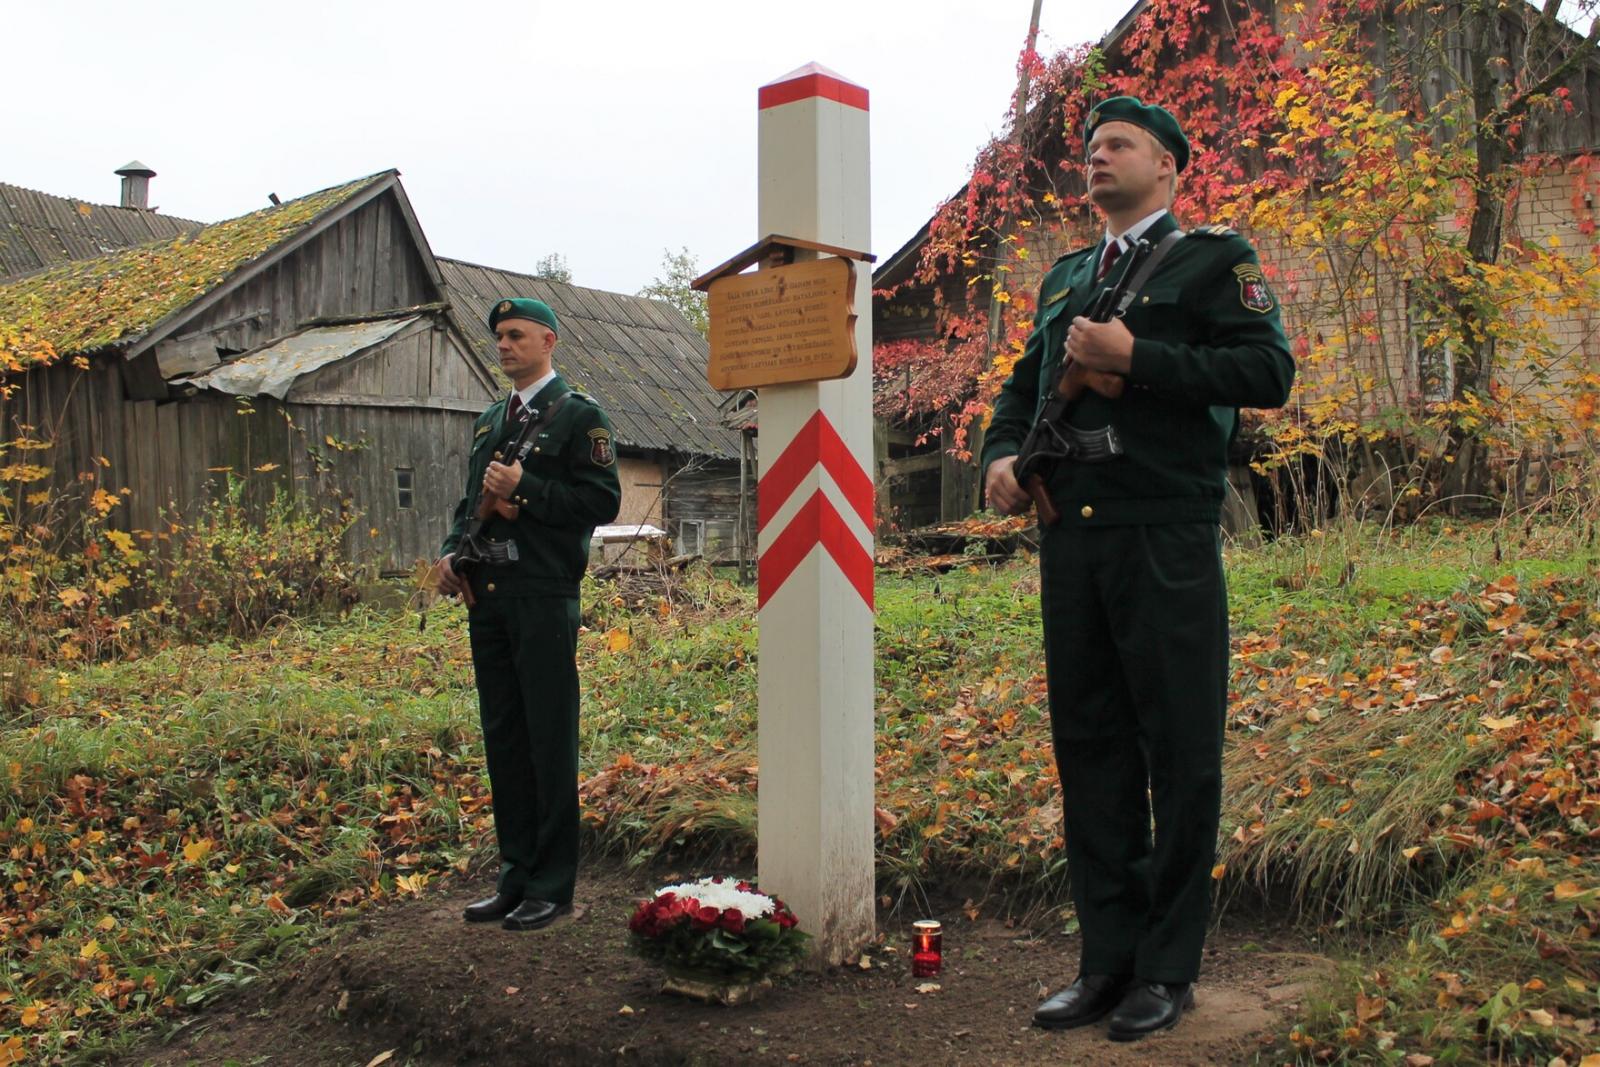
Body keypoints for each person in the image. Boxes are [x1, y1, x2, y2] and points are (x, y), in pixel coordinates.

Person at [981, 98, 1294, 1040]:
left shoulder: (1212, 261)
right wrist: (1000, 457)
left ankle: (1166, 968)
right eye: (1088, 148)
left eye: (1117, 145)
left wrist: (1139, 356)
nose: (1095, 158)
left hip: (1165, 530)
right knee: (1091, 748)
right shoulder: (1069, 276)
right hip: (1072, 535)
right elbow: (1021, 385)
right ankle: (1104, 960)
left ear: (1167, 165)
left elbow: (1267, 374)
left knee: (1179, 750)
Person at [435, 297, 621, 932]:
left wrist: (528, 492)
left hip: (543, 594)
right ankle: (514, 875)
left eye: (516, 335)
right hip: (487, 595)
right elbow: (470, 501)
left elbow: (600, 499)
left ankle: (552, 883)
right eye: (498, 337)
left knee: (548, 738)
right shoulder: (492, 419)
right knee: (505, 739)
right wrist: (447, 554)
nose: (504, 345)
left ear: (549, 340)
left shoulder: (577, 417)